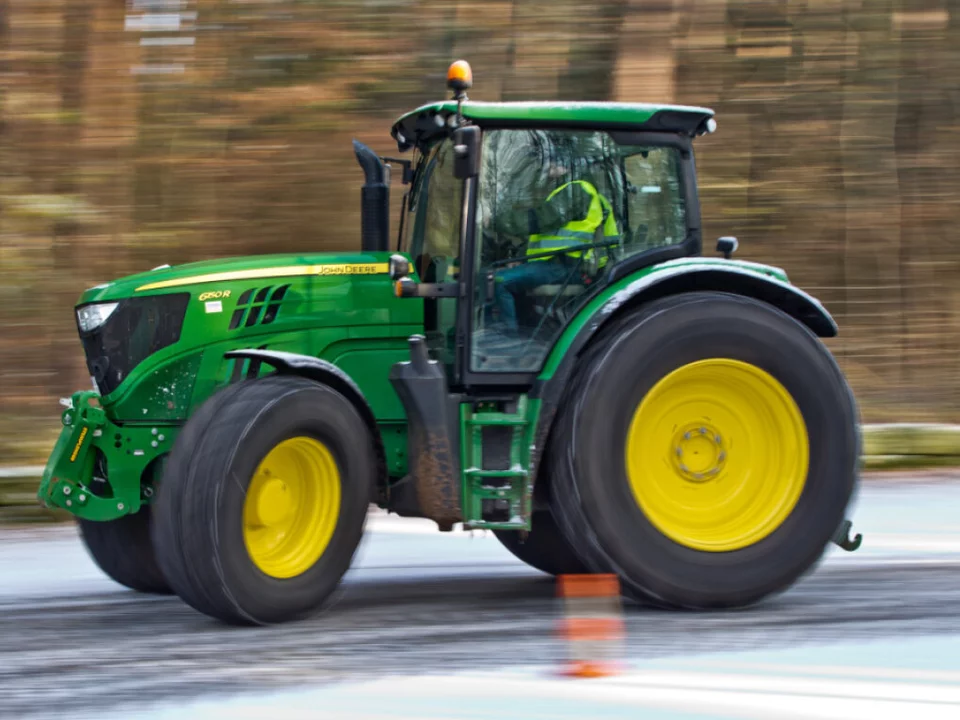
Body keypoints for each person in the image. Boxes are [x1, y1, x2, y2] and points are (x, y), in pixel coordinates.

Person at [491, 172, 620, 333]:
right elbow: (548, 236)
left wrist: (495, 219)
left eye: (553, 163)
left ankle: (507, 338)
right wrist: (521, 259)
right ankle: (523, 329)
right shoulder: (584, 193)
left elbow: (540, 220)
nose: (547, 168)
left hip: (566, 267)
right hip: (563, 265)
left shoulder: (577, 190)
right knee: (502, 275)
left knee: (501, 280)